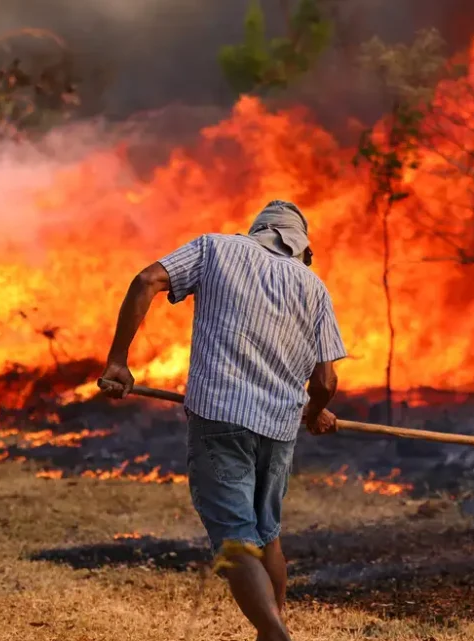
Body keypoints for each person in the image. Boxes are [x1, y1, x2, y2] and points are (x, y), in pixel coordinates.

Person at [98, 200, 347, 641]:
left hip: (220, 417)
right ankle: (273, 629)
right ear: (301, 248)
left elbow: (147, 279)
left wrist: (118, 361)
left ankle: (274, 634)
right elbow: (326, 379)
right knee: (266, 535)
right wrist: (313, 411)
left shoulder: (215, 249)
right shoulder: (314, 287)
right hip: (278, 427)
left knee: (235, 538)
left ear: (257, 231)